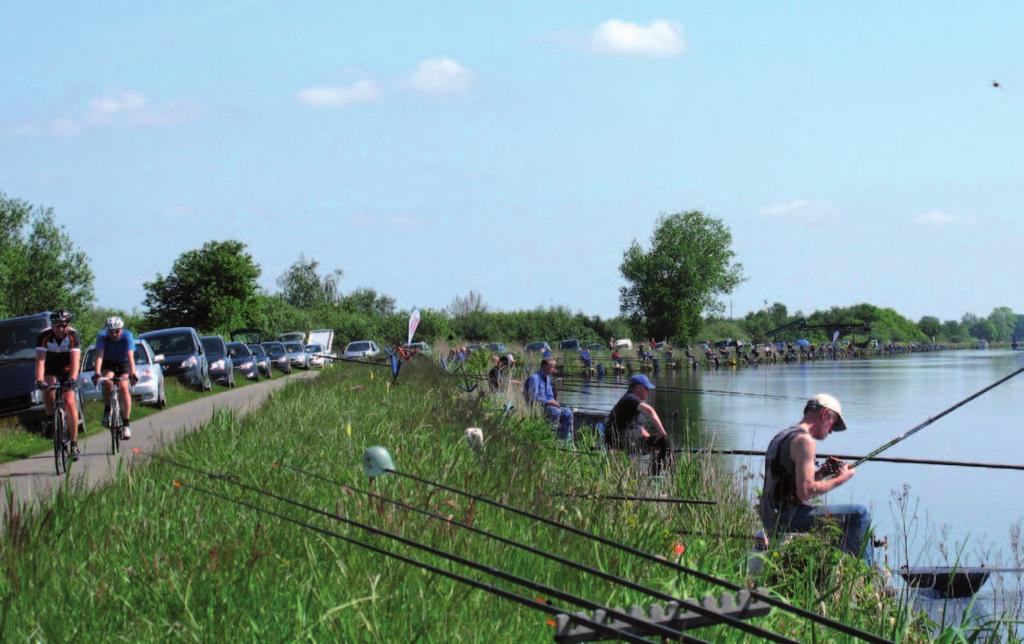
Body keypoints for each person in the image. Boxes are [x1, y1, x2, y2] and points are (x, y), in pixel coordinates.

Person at [758, 393, 873, 564]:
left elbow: (791, 487)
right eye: (832, 425)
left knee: (857, 519)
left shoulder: (782, 436)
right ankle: (860, 573)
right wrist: (842, 477)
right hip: (788, 517)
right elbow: (806, 492)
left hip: (771, 514)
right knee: (859, 514)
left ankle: (852, 567)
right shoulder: (805, 441)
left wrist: (821, 474)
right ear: (825, 414)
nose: (831, 431)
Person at [34, 309, 83, 460]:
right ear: (52, 325)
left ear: (67, 325)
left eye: (63, 326)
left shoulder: (73, 335)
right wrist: (39, 380)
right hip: (50, 365)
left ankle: (74, 444)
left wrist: (73, 378)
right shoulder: (44, 336)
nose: (60, 329)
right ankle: (50, 418)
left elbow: (75, 361)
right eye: (57, 326)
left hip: (67, 368)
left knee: (69, 401)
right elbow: (40, 360)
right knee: (48, 388)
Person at [604, 374, 670, 475]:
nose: (649, 391)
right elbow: (650, 410)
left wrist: (651, 442)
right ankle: (655, 474)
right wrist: (661, 432)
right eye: (647, 388)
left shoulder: (633, 405)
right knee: (663, 437)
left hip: (631, 441)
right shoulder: (630, 398)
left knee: (662, 442)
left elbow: (639, 427)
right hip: (620, 443)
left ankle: (656, 473)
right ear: (638, 388)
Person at [92, 316, 139, 439]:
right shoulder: (102, 336)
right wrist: (97, 372)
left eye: (116, 331)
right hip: (108, 362)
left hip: (123, 362)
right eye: (110, 331)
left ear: (121, 330)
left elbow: (130, 356)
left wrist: (133, 372)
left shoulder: (127, 336)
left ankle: (126, 424)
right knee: (107, 381)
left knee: (123, 386)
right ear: (107, 331)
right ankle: (107, 409)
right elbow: (99, 355)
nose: (113, 334)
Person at [523, 359, 573, 439]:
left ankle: (564, 439)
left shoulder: (548, 379)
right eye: (552, 367)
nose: (554, 369)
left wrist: (553, 401)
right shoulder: (534, 378)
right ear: (544, 366)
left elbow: (550, 396)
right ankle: (550, 437)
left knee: (568, 411)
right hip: (537, 407)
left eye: (554, 367)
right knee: (555, 411)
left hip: (548, 406)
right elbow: (532, 397)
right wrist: (548, 402)